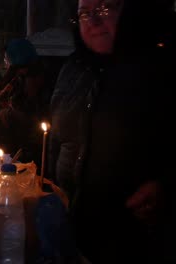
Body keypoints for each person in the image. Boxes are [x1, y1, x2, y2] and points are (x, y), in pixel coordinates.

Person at [48, 0, 176, 263]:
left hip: (136, 240)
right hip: (71, 229)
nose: (93, 21)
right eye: (85, 13)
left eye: (105, 9)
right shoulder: (72, 70)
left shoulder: (161, 69)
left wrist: (166, 185)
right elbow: (56, 139)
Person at [0, 38, 44, 163]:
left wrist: (2, 113)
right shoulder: (15, 79)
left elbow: (29, 116)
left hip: (25, 150)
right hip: (12, 145)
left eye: (7, 59)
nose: (5, 63)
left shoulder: (32, 81)